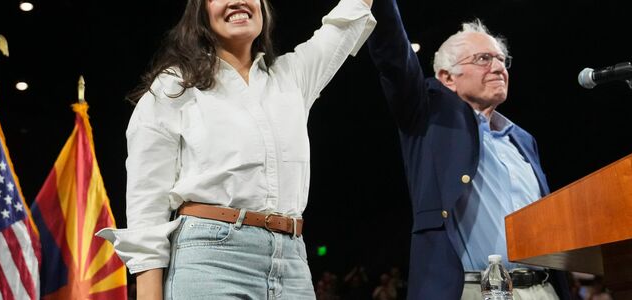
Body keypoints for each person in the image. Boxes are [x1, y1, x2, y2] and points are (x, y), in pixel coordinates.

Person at [95, 0, 376, 298]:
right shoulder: (172, 88)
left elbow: (350, 16)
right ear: (201, 12)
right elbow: (146, 209)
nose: (237, 1)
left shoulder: (292, 78)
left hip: (292, 266)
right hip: (210, 264)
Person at [366, 0, 571, 299]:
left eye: (502, 60)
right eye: (484, 59)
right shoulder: (427, 116)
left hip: (543, 289)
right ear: (447, 77)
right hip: (473, 291)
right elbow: (393, 55)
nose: (499, 68)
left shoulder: (523, 140)